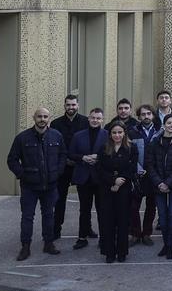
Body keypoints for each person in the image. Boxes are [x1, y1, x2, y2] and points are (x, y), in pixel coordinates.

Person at [7, 107, 64, 260]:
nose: (42, 119)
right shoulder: (22, 138)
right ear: (34, 118)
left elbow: (62, 156)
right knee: (27, 217)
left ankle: (48, 244)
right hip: (29, 187)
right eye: (39, 116)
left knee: (49, 215)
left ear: (49, 118)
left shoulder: (56, 136)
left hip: (50, 185)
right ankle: (25, 247)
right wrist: (22, 175)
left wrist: (57, 172)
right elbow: (12, 160)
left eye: (45, 116)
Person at [146, 113, 172, 259]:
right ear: (164, 125)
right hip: (158, 186)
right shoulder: (155, 142)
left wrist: (168, 182)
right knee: (163, 216)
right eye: (169, 123)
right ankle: (165, 243)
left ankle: (171, 246)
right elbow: (149, 164)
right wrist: (159, 182)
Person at [94, 121, 137, 263]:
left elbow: (132, 169)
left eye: (120, 132)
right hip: (107, 189)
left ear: (124, 133)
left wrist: (120, 182)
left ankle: (122, 252)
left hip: (124, 190)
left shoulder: (132, 148)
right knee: (108, 221)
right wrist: (113, 181)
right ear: (110, 134)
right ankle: (109, 252)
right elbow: (99, 170)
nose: (117, 135)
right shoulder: (103, 148)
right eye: (114, 132)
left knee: (123, 221)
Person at [50, 94, 89, 244]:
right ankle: (56, 228)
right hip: (63, 167)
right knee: (59, 200)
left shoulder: (86, 122)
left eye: (73, 105)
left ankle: (87, 228)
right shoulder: (56, 123)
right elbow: (54, 146)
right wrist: (65, 160)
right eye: (68, 105)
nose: (71, 107)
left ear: (78, 105)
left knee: (85, 201)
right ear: (64, 106)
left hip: (81, 166)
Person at [67, 107, 107, 250]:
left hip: (101, 178)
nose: (95, 120)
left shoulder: (107, 135)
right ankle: (82, 237)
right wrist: (83, 157)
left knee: (102, 209)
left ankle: (104, 238)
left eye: (98, 118)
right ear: (88, 118)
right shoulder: (78, 135)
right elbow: (71, 153)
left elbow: (111, 154)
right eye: (93, 118)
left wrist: (98, 157)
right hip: (83, 177)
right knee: (84, 209)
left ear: (102, 120)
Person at [128, 104, 158, 245]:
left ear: (153, 115)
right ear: (139, 117)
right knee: (133, 206)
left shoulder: (159, 132)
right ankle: (135, 233)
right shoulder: (132, 132)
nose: (146, 116)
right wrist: (137, 168)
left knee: (151, 206)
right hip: (137, 175)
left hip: (153, 176)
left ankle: (146, 234)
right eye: (143, 114)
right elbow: (129, 153)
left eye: (148, 114)